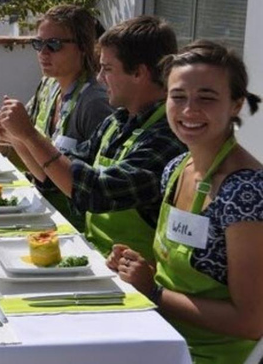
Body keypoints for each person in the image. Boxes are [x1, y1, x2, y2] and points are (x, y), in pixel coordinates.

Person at [108, 40, 263, 364]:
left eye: (206, 98)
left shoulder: (246, 192)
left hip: (204, 356)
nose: (189, 110)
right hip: (159, 337)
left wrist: (154, 292)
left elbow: (251, 322)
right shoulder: (177, 170)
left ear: (235, 105)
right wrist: (137, 269)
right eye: (178, 97)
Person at [0, 16, 186, 259]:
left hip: (135, 276)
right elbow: (54, 176)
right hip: (96, 255)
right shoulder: (117, 122)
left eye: (107, 69)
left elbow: (95, 191)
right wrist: (18, 138)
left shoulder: (166, 136)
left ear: (139, 73)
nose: (100, 78)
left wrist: (29, 135)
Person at [0, 5, 113, 228]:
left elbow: (71, 185)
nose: (43, 53)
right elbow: (39, 161)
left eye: (54, 45)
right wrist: (6, 143)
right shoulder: (49, 86)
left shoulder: (94, 104)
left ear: (83, 47)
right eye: (38, 44)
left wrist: (21, 136)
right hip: (43, 208)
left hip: (70, 224)